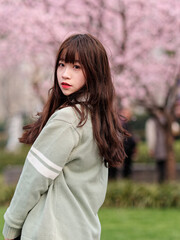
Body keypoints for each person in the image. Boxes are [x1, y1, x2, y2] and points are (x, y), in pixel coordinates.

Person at [3, 33, 129, 240]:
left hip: (49, 232)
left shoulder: (69, 119)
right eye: (62, 65)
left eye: (76, 67)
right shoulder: (98, 119)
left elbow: (32, 180)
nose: (65, 74)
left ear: (95, 72)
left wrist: (11, 227)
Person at [145, 109, 167, 183]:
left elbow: (151, 136)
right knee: (161, 165)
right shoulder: (163, 121)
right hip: (162, 147)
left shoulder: (152, 122)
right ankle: (161, 181)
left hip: (159, 147)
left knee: (160, 165)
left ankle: (161, 181)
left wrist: (151, 148)